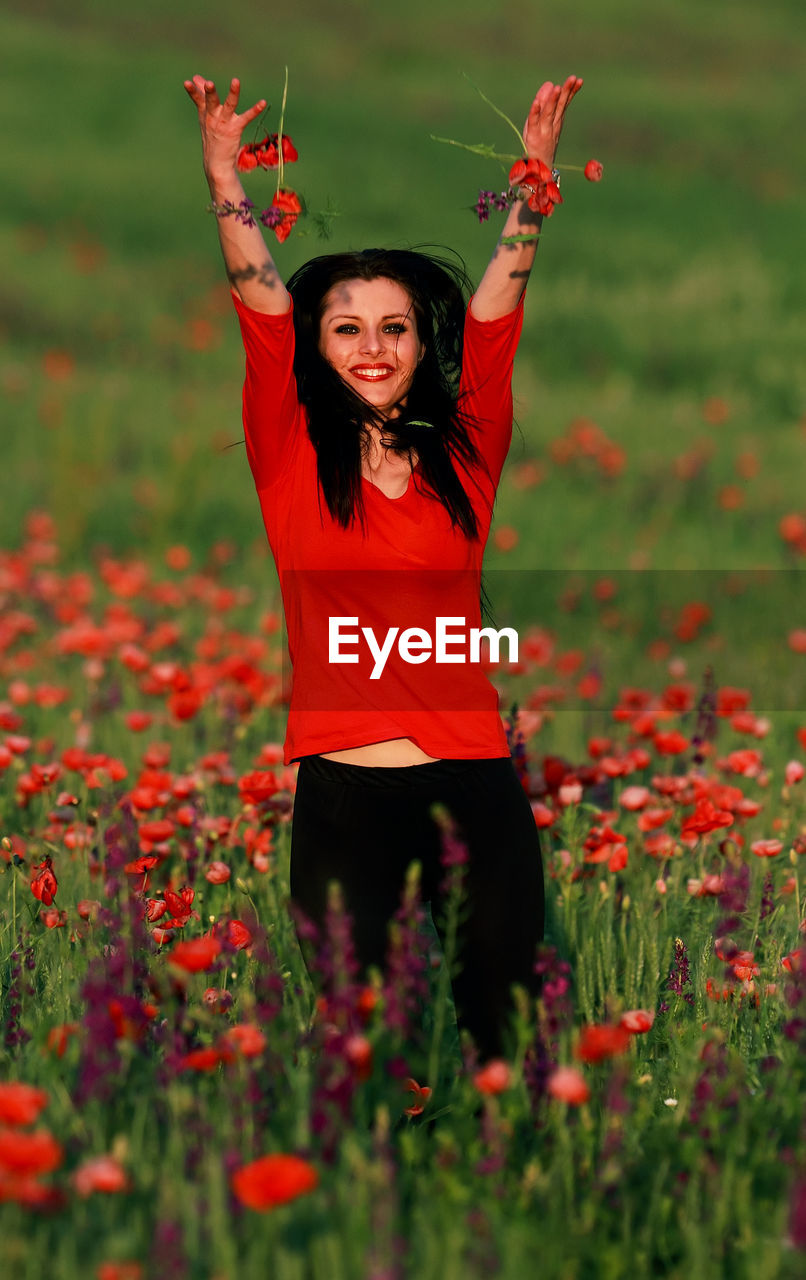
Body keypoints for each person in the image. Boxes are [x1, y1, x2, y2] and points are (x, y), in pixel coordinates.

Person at [184, 71, 583, 1062]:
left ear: (418, 343)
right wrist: (224, 177)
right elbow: (260, 306)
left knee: (506, 1044)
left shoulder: (466, 448)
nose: (372, 347)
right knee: (362, 1054)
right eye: (346, 327)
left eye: (394, 328)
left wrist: (531, 191)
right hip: (343, 799)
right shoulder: (287, 452)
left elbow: (497, 314)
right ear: (316, 348)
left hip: (475, 791)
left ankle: (516, 1196)